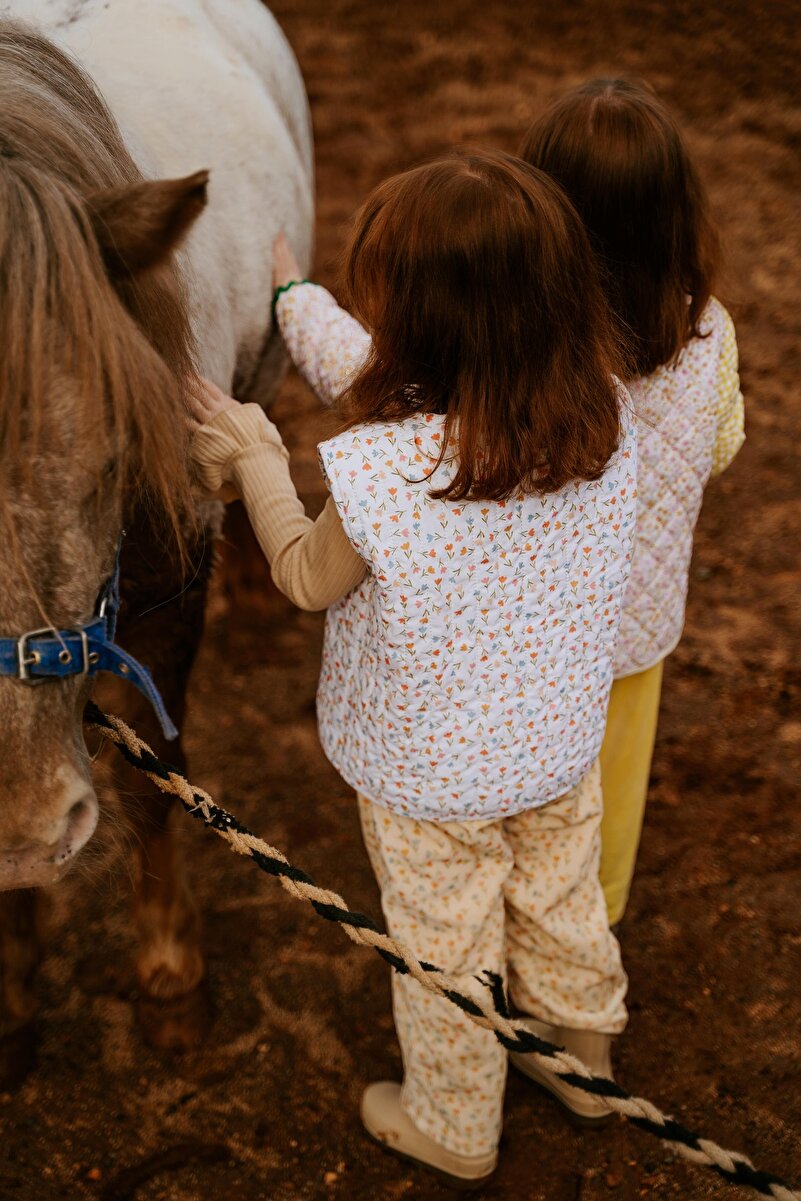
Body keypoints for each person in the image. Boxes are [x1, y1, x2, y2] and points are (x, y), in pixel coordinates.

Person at [189, 149, 637, 1187]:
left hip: (429, 777)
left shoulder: (388, 473)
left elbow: (305, 577)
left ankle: (454, 1121)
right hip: (556, 745)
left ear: (422, 328)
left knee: (445, 945)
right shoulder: (602, 419)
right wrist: (300, 302)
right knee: (561, 898)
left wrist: (258, 460)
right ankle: (586, 1068)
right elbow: (373, 373)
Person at [520, 79, 746, 927]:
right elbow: (721, 445)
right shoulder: (706, 330)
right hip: (639, 625)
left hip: (533, 636)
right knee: (612, 794)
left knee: (526, 798)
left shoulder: (525, 339)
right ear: (675, 212)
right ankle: (594, 923)